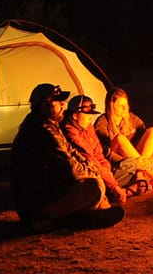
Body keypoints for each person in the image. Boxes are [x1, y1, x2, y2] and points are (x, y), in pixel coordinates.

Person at [10, 83, 124, 233]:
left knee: (95, 183)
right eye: (57, 101)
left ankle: (74, 217)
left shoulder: (50, 125)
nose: (63, 104)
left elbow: (73, 154)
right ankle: (42, 217)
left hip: (47, 189)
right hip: (36, 198)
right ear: (44, 106)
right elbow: (71, 168)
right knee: (93, 187)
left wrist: (93, 171)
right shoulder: (42, 131)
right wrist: (95, 177)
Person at [95, 87, 153, 189]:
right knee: (120, 138)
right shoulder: (102, 122)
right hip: (118, 161)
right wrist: (133, 163)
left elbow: (152, 141)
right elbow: (105, 151)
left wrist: (152, 159)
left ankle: (140, 175)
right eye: (120, 105)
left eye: (126, 104)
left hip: (137, 158)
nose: (125, 108)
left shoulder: (131, 118)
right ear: (111, 106)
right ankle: (151, 173)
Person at [63, 95, 127, 206]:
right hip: (86, 175)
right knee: (97, 183)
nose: (90, 118)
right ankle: (111, 192)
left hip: (101, 171)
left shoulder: (88, 126)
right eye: (87, 114)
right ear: (75, 115)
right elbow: (91, 161)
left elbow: (99, 154)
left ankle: (111, 189)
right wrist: (114, 185)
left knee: (129, 165)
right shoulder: (70, 132)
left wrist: (107, 169)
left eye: (91, 114)